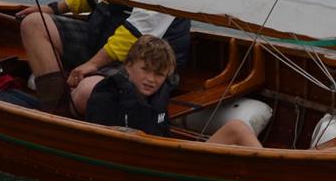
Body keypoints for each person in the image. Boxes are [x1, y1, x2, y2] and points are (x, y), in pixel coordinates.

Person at [17, 0, 191, 113]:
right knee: (34, 24)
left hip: (145, 62)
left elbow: (134, 34)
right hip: (101, 41)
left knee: (88, 92)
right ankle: (56, 110)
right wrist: (54, 8)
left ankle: (64, 119)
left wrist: (91, 64)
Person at [81, 35, 263, 147]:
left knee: (238, 128)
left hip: (166, 161)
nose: (151, 80)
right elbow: (96, 143)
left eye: (159, 74)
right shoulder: (106, 95)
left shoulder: (158, 97)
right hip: (140, 168)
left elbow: (164, 134)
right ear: (128, 66)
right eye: (145, 69)